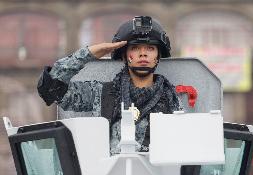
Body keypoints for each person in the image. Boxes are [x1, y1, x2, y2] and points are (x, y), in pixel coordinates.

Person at [37, 16, 183, 155]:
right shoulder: (100, 94)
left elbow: (180, 147)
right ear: (124, 55)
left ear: (158, 56)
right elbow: (50, 87)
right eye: (135, 48)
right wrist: (89, 53)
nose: (143, 54)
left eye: (150, 48)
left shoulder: (171, 99)